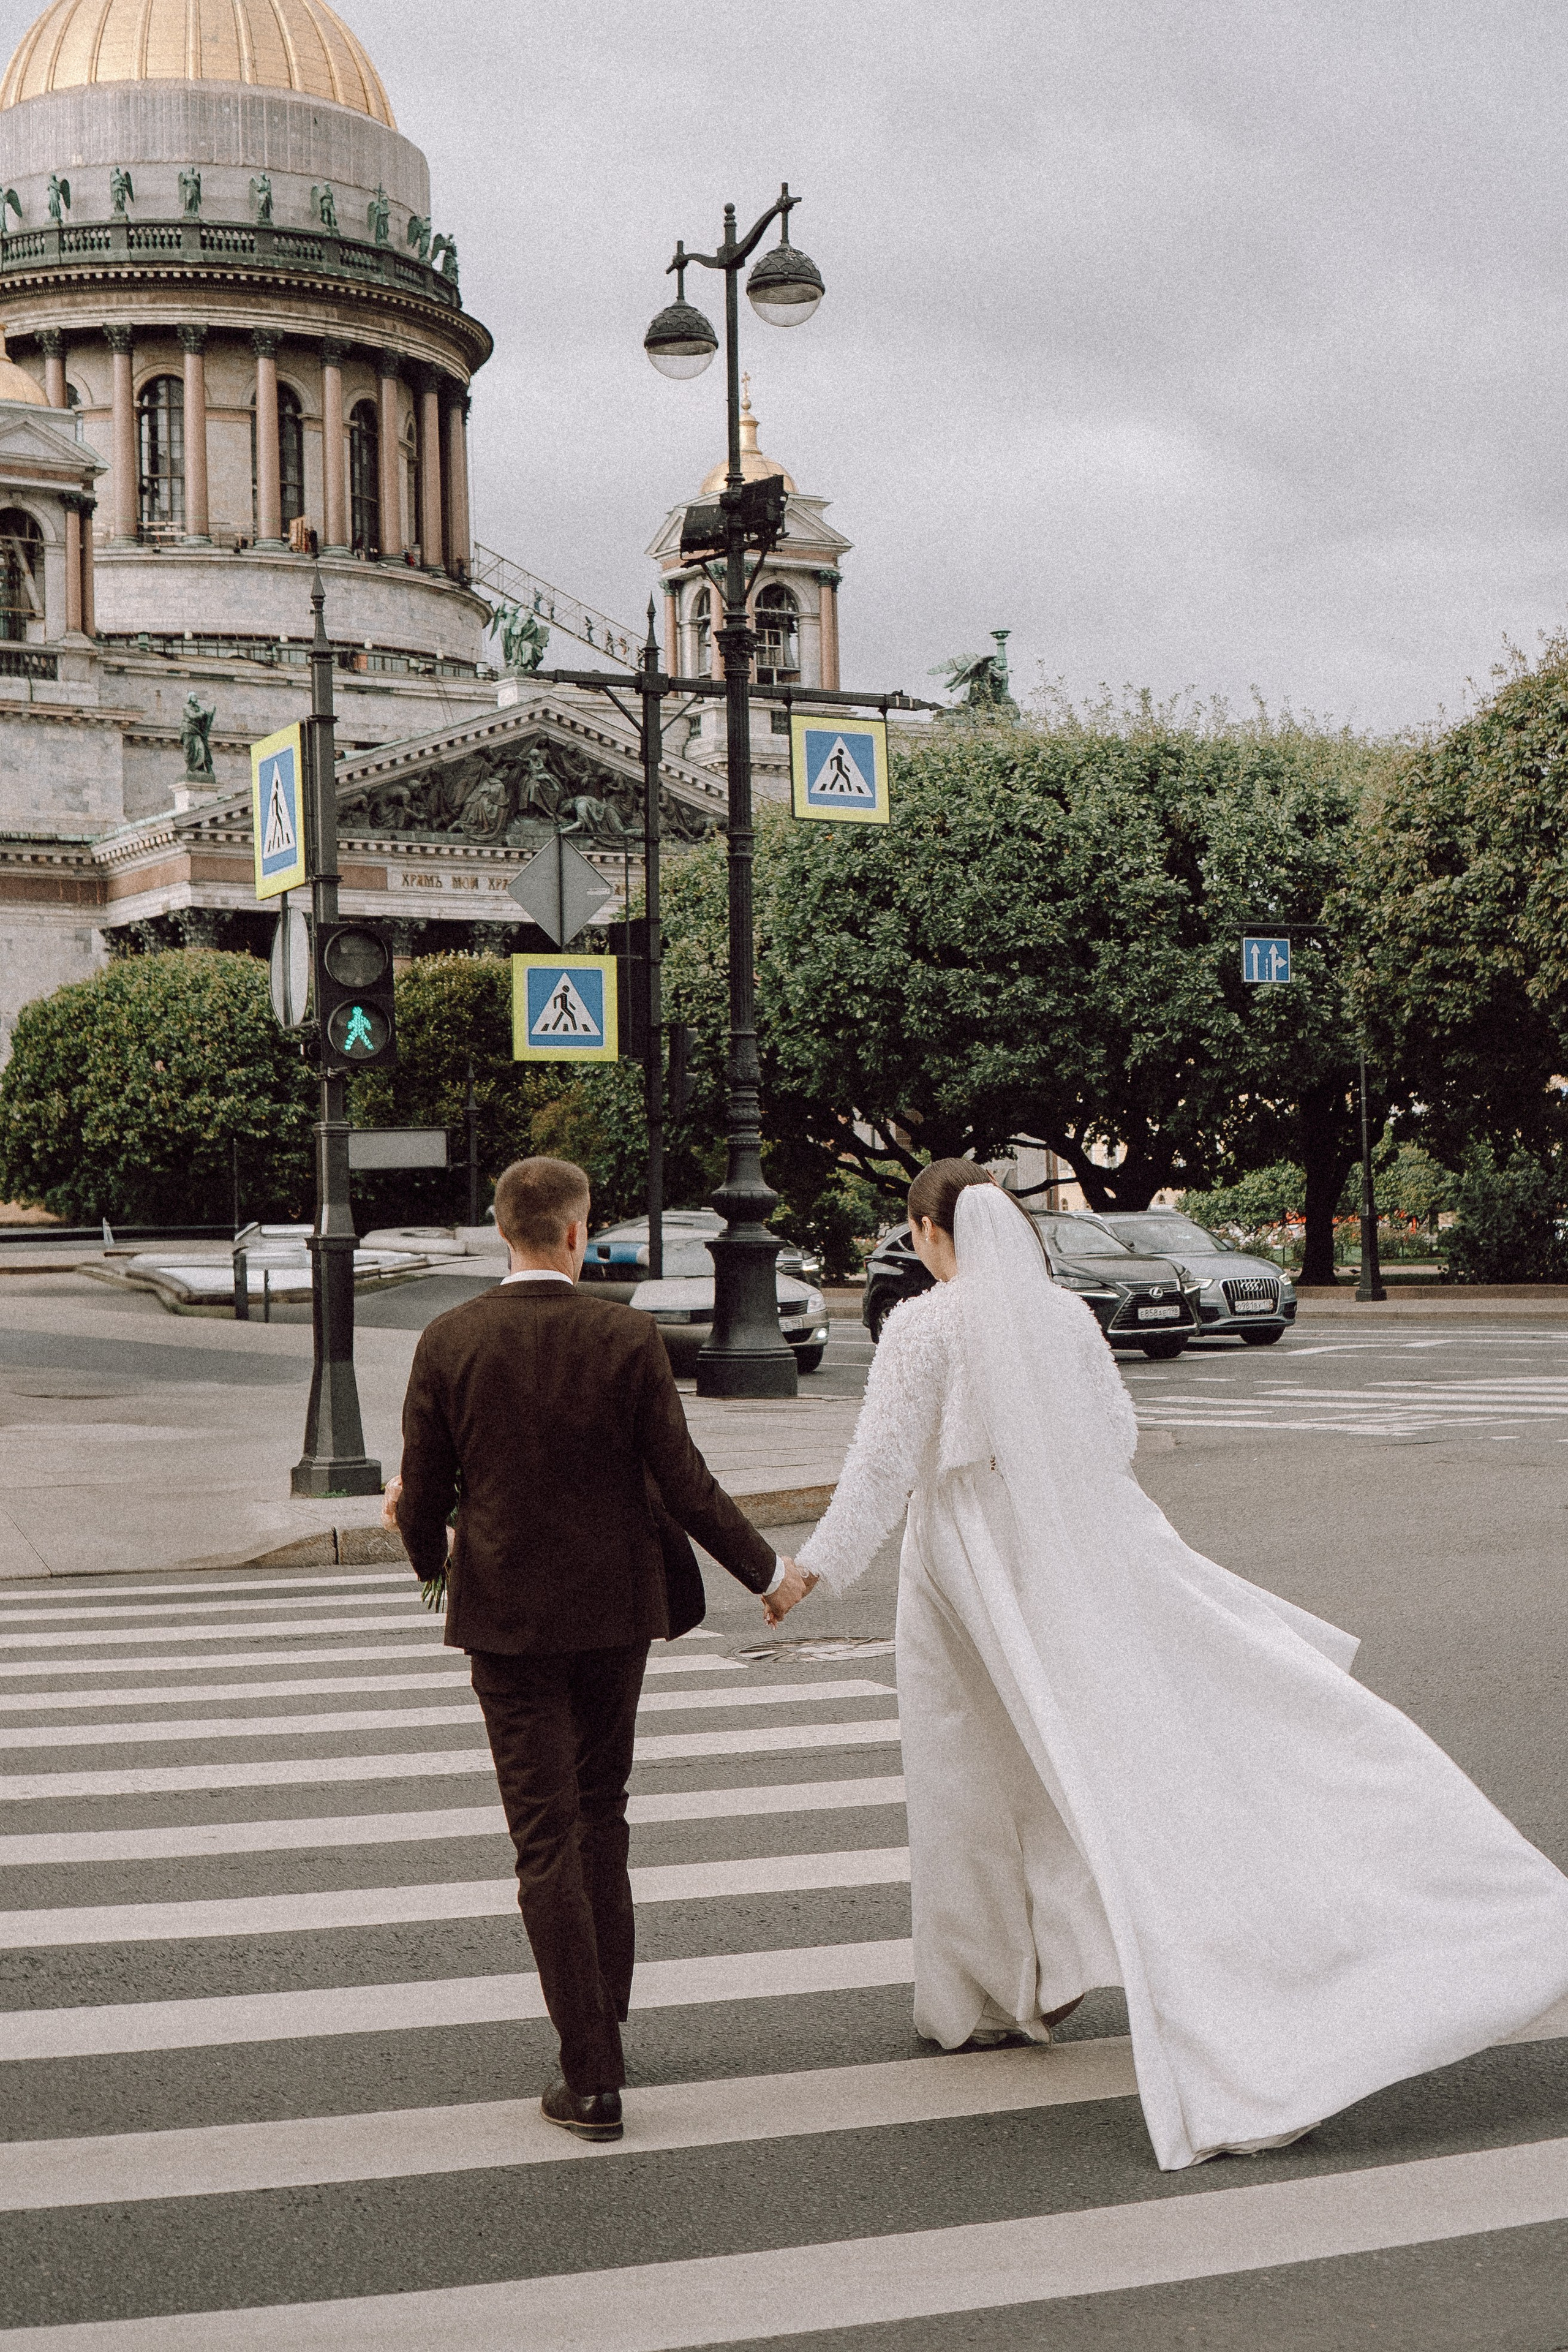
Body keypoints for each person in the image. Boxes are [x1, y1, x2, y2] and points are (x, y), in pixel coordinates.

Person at [775, 1159, 1568, 2169]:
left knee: (968, 1768)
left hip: (967, 1556)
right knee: (1113, 1750)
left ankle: (992, 1990)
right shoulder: (1063, 1319)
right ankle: (1026, 1975)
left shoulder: (926, 1324)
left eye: (915, 1234)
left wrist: (813, 1571)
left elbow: (883, 1467)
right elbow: (1114, 1436)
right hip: (1078, 1539)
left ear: (935, 1234)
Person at [396, 1156, 809, 2143]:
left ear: (505, 1231)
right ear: (577, 1233)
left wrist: (433, 1561)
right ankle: (603, 2027)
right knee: (601, 1817)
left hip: (507, 1623)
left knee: (544, 1837)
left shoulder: (450, 1340)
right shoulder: (624, 1335)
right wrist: (769, 1575)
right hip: (617, 1617)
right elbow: (687, 1481)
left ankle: (591, 2079)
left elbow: (421, 1496)